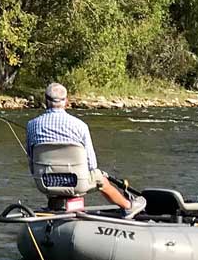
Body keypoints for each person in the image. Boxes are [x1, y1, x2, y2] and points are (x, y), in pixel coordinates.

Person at [25, 81, 134, 211]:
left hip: (44, 183)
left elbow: (32, 162)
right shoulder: (80, 126)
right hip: (77, 184)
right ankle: (128, 207)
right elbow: (92, 165)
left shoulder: (31, 125)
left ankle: (56, 206)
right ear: (66, 101)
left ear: (45, 101)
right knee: (102, 180)